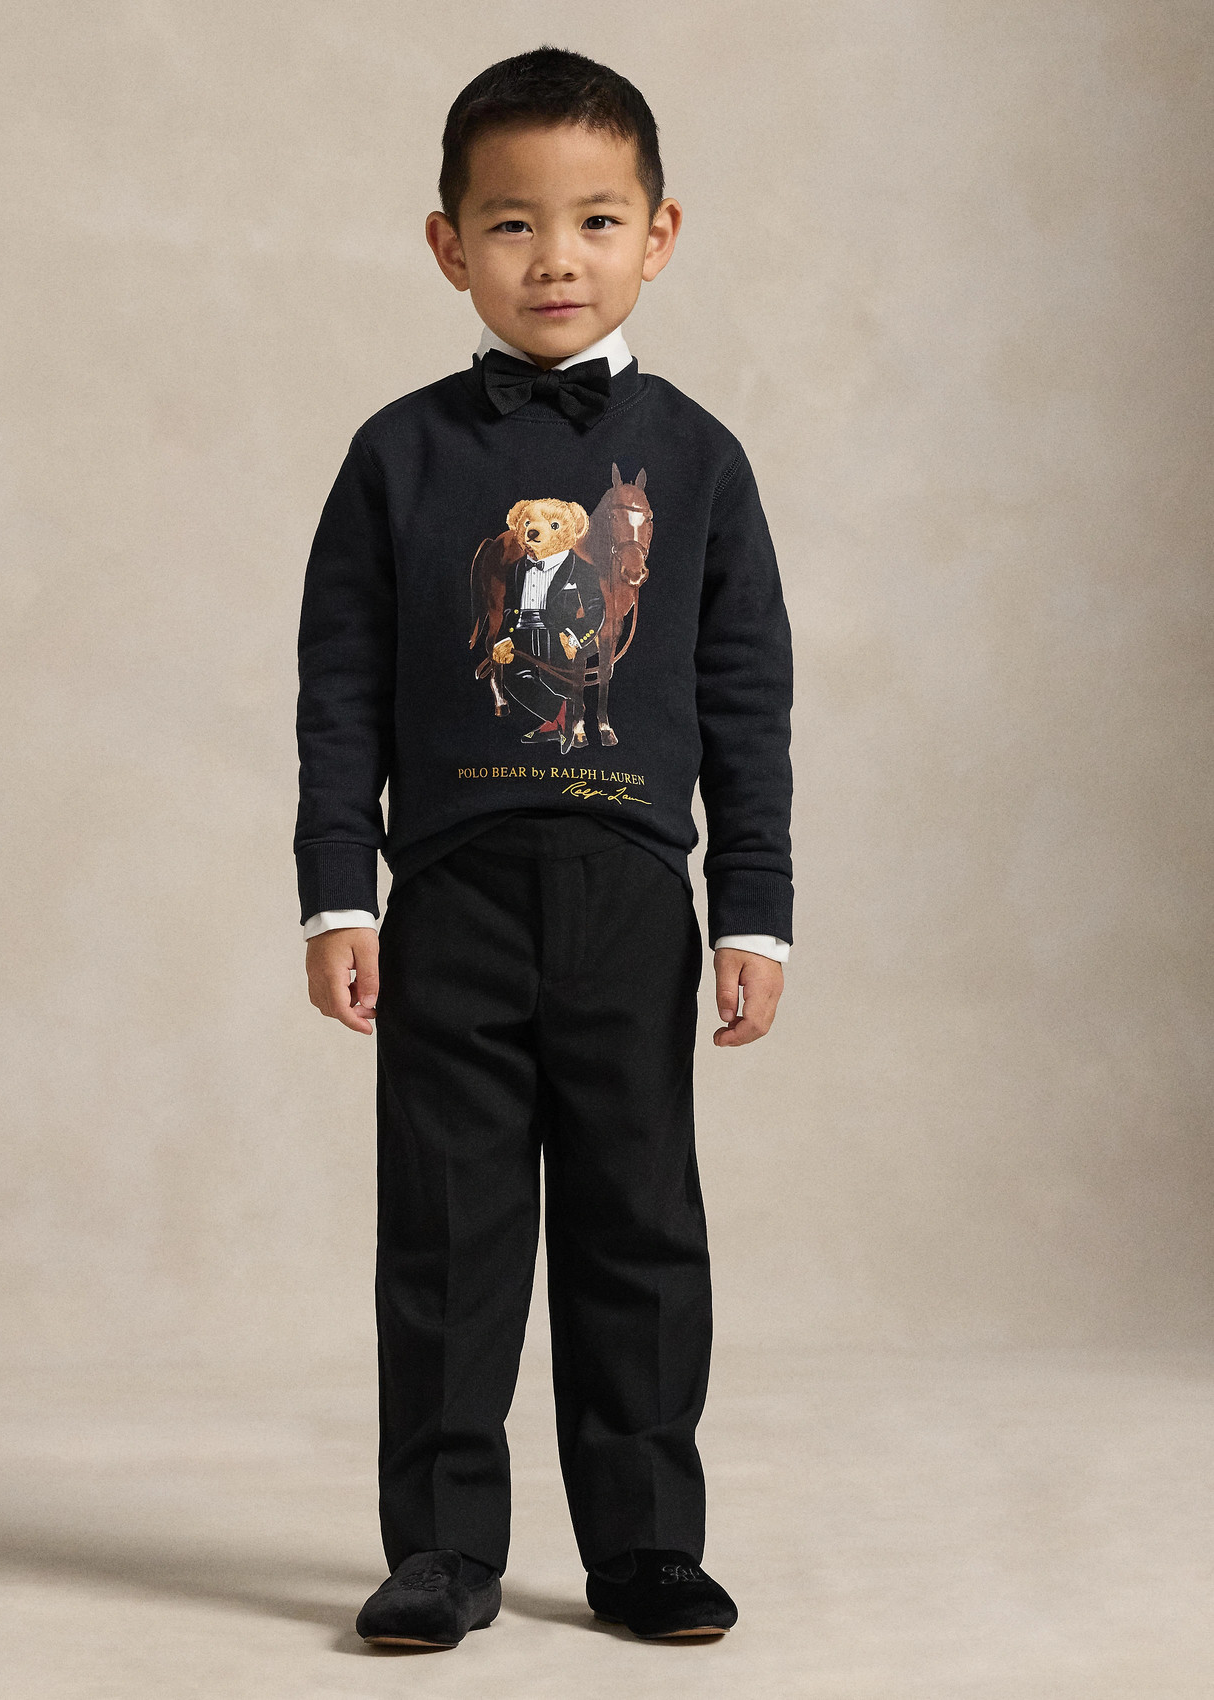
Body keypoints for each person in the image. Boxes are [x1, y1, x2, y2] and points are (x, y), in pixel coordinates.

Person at [295, 44, 794, 1650]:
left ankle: (645, 1543)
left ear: (659, 234)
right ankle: (443, 1549)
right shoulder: (396, 456)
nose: (556, 258)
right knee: (447, 1230)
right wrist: (335, 891)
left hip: (633, 896)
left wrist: (754, 913)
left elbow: (745, 697)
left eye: (595, 220)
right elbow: (339, 688)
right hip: (447, 899)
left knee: (638, 1221)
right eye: (513, 224)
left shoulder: (699, 462)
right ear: (450, 245)